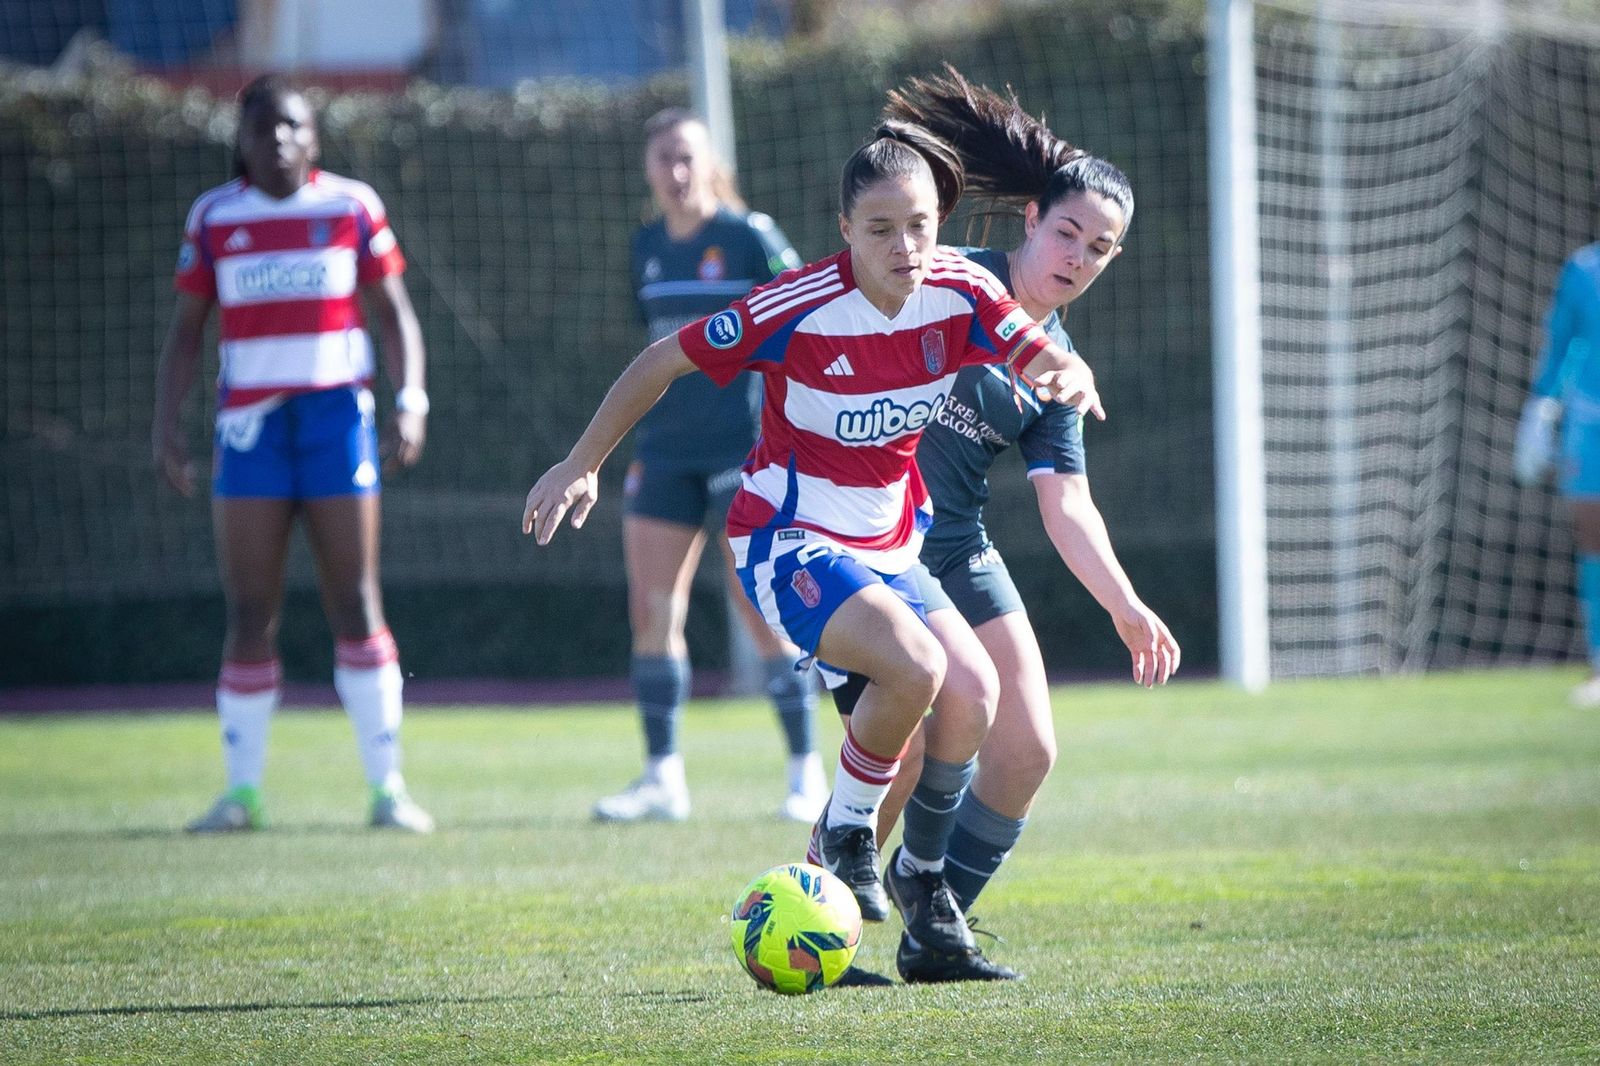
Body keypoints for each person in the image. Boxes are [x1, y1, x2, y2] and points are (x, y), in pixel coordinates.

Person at [523, 120, 1101, 965]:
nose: (904, 246)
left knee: (972, 694)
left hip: (893, 543)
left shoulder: (966, 294)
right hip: (785, 538)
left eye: (919, 225)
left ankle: (894, 888)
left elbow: (1039, 352)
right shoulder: (795, 305)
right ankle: (847, 833)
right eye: (879, 228)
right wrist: (582, 463)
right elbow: (660, 360)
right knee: (917, 664)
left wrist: (1067, 371)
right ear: (844, 230)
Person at [824, 67, 1181, 982]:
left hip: (958, 549)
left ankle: (932, 921)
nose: (1078, 256)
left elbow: (1067, 505)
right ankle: (820, 926)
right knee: (904, 748)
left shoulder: (1058, 365)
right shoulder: (947, 280)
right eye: (1067, 232)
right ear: (1030, 221)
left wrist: (1126, 605)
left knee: (1027, 749)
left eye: (1101, 247)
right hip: (874, 545)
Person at [153, 74, 434, 834]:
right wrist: (166, 426)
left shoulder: (351, 206)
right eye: (263, 128)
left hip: (337, 422)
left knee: (356, 603)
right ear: (240, 142)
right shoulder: (214, 216)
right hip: (249, 434)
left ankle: (388, 790)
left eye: (293, 127)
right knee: (250, 611)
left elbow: (395, 315)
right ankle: (242, 794)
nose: (278, 139)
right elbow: (186, 331)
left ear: (315, 138)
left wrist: (412, 401)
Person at [594, 108, 826, 825]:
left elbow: (807, 311)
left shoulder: (747, 236)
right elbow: (655, 352)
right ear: (647, 168)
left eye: (688, 156)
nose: (677, 171)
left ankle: (806, 772)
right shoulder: (645, 248)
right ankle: (663, 778)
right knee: (650, 610)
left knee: (760, 611)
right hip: (663, 454)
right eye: (664, 157)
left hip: (743, 453)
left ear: (711, 162)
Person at [1514, 240, 1600, 706]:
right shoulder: (1584, 270)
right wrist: (1541, 411)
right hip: (1591, 424)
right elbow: (1562, 343)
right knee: (1595, 539)